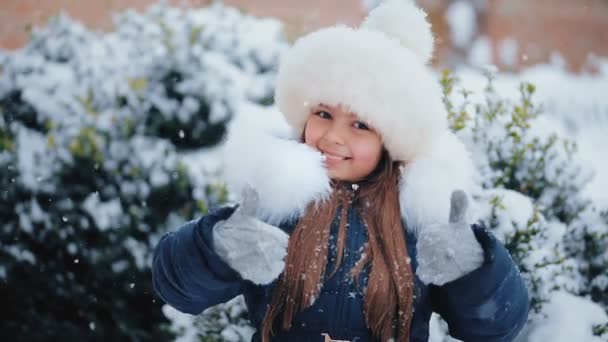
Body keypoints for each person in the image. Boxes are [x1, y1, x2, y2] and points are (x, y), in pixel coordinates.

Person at [151, 1, 530, 341]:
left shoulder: (420, 223)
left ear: (390, 141)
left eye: (361, 125)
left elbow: (496, 328)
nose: (333, 137)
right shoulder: (275, 205)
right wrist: (217, 248)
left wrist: (475, 271)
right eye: (323, 114)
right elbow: (177, 287)